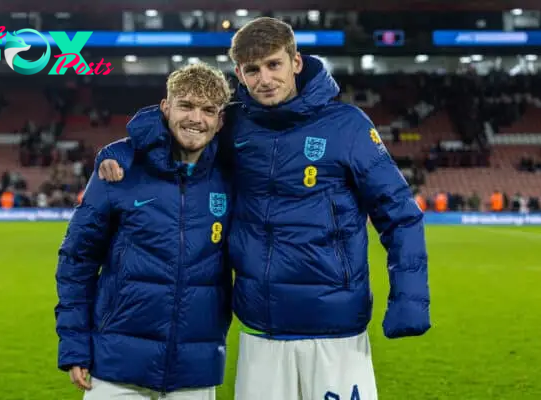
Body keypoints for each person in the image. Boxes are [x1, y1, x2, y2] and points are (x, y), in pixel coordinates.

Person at [98, 17, 431, 400]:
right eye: (252, 70)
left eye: (274, 64)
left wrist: (409, 298)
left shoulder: (348, 126)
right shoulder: (234, 125)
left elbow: (400, 215)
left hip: (336, 330)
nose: (264, 79)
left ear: (296, 62)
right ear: (239, 73)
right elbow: (171, 129)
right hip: (261, 330)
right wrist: (122, 149)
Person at [54, 62, 234, 400]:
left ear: (221, 119)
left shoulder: (231, 178)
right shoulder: (119, 172)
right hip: (117, 370)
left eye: (208, 110)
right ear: (165, 108)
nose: (196, 118)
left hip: (194, 372)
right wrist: (75, 343)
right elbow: (76, 261)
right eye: (186, 105)